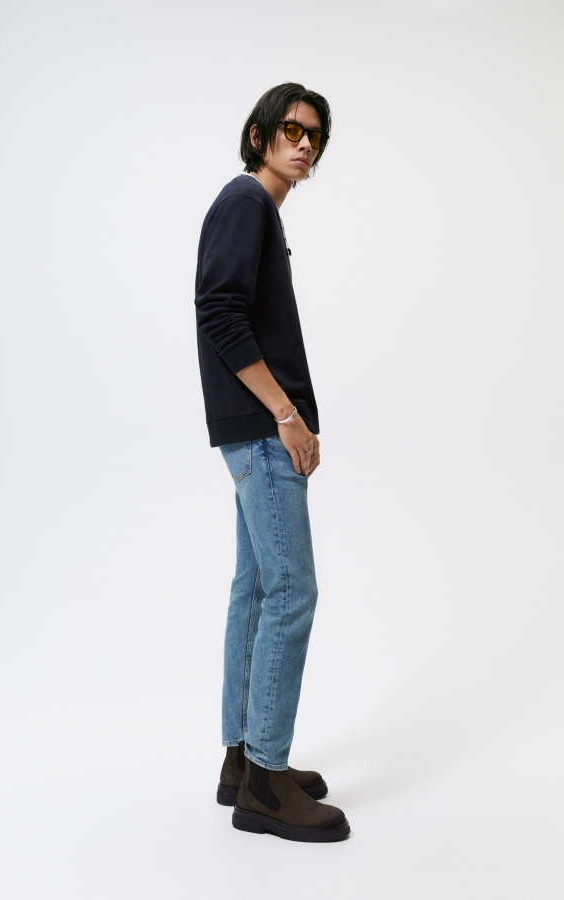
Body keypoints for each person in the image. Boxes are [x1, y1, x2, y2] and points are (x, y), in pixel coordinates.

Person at [194, 83, 349, 842]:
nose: (305, 143)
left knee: (256, 589)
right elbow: (219, 311)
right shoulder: (247, 202)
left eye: (315, 135)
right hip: (263, 429)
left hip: (252, 427)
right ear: (259, 136)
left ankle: (241, 760)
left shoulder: (258, 211)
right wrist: (287, 416)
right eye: (292, 129)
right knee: (291, 590)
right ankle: (265, 780)